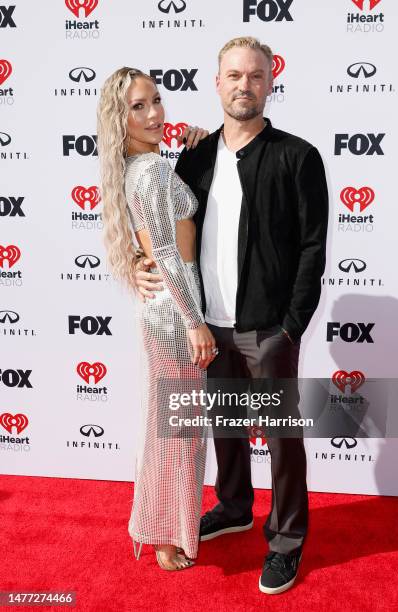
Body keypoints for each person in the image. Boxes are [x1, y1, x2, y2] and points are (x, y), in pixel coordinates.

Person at [135, 37, 329, 594]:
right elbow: (162, 231)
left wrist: (291, 325)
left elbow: (313, 248)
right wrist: (138, 264)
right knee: (224, 428)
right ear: (216, 82)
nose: (245, 85)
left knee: (283, 439)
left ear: (270, 83)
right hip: (208, 326)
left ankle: (287, 540)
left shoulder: (299, 156)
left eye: (256, 76)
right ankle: (235, 506)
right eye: (234, 75)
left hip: (270, 327)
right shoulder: (192, 157)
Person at [96, 67, 217, 571]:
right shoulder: (149, 173)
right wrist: (195, 321)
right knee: (180, 434)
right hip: (175, 315)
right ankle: (168, 540)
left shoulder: (142, 167)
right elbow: (167, 255)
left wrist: (196, 146)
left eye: (156, 101)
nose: (153, 114)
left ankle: (159, 529)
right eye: (138, 107)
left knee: (170, 428)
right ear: (118, 120)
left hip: (165, 310)